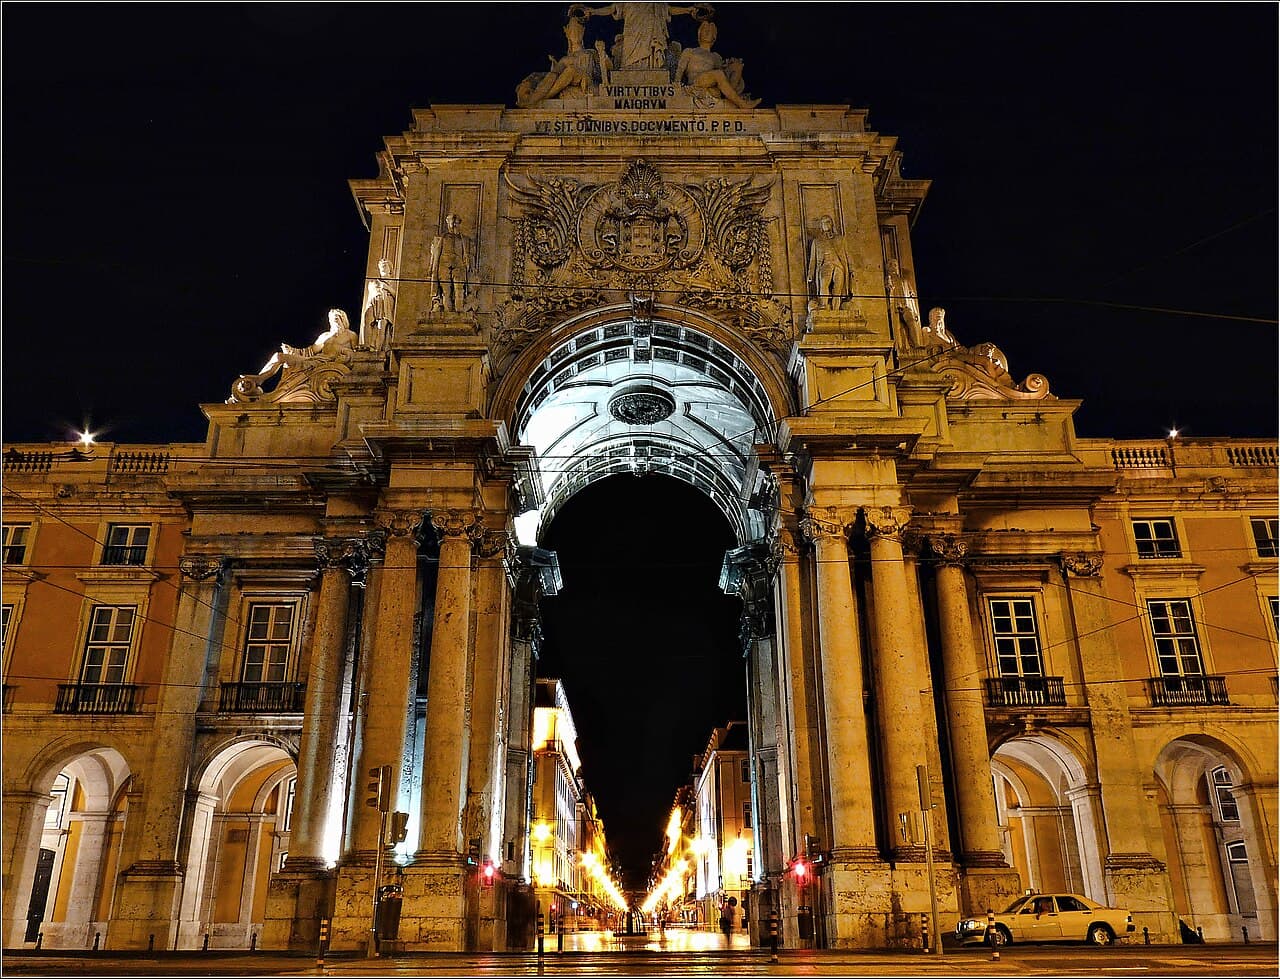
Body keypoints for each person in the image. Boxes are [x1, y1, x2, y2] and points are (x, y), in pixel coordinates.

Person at [579, 2, 704, 71]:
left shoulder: (656, 3)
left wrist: (688, 10)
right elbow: (611, 9)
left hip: (651, 35)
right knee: (629, 64)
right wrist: (593, 11)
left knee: (652, 63)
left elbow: (669, 10)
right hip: (632, 35)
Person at [675, 20, 759, 108]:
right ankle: (742, 104)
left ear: (714, 37)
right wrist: (676, 84)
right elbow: (679, 70)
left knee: (729, 71)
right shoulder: (689, 51)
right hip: (695, 84)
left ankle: (734, 101)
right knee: (718, 74)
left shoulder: (716, 57)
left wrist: (735, 69)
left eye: (710, 31)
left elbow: (724, 80)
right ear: (699, 34)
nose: (707, 32)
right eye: (705, 30)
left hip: (711, 87)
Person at [807, 215, 851, 310]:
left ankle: (836, 309)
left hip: (839, 265)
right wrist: (810, 273)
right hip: (825, 265)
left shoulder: (840, 239)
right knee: (824, 283)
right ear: (821, 226)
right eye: (824, 222)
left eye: (828, 222)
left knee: (837, 289)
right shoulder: (817, 241)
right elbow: (812, 260)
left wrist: (851, 270)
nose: (826, 224)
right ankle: (823, 305)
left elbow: (847, 256)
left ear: (832, 224)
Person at [429, 213, 470, 313]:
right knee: (446, 291)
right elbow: (436, 254)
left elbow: (467, 255)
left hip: (458, 265)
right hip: (444, 265)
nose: (453, 225)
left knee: (459, 289)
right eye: (452, 223)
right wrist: (433, 268)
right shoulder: (442, 238)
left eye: (456, 223)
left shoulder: (463, 239)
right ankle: (447, 312)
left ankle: (459, 311)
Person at [886, 258, 925, 346]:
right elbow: (889, 288)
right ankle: (898, 346)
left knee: (911, 322)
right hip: (895, 305)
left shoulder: (905, 280)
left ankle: (916, 344)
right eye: (890, 265)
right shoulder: (889, 278)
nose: (893, 267)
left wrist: (915, 311)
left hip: (906, 305)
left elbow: (912, 296)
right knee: (896, 326)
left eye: (895, 265)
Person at [360, 258, 397, 349]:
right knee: (367, 321)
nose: (383, 268)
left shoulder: (394, 282)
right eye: (381, 266)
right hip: (373, 302)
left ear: (390, 269)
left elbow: (397, 295)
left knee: (382, 325)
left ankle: (378, 349)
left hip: (386, 305)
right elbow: (371, 292)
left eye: (385, 266)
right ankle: (366, 345)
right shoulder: (373, 281)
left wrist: (386, 287)